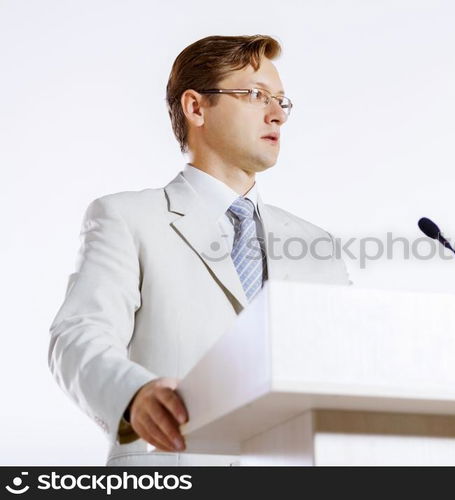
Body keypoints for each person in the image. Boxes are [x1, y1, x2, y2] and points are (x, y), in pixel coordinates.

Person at [48, 35, 351, 466]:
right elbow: (77, 338)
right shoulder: (126, 217)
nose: (277, 115)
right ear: (195, 107)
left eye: (282, 101)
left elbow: (345, 365)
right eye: (255, 95)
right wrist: (132, 395)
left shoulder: (317, 246)